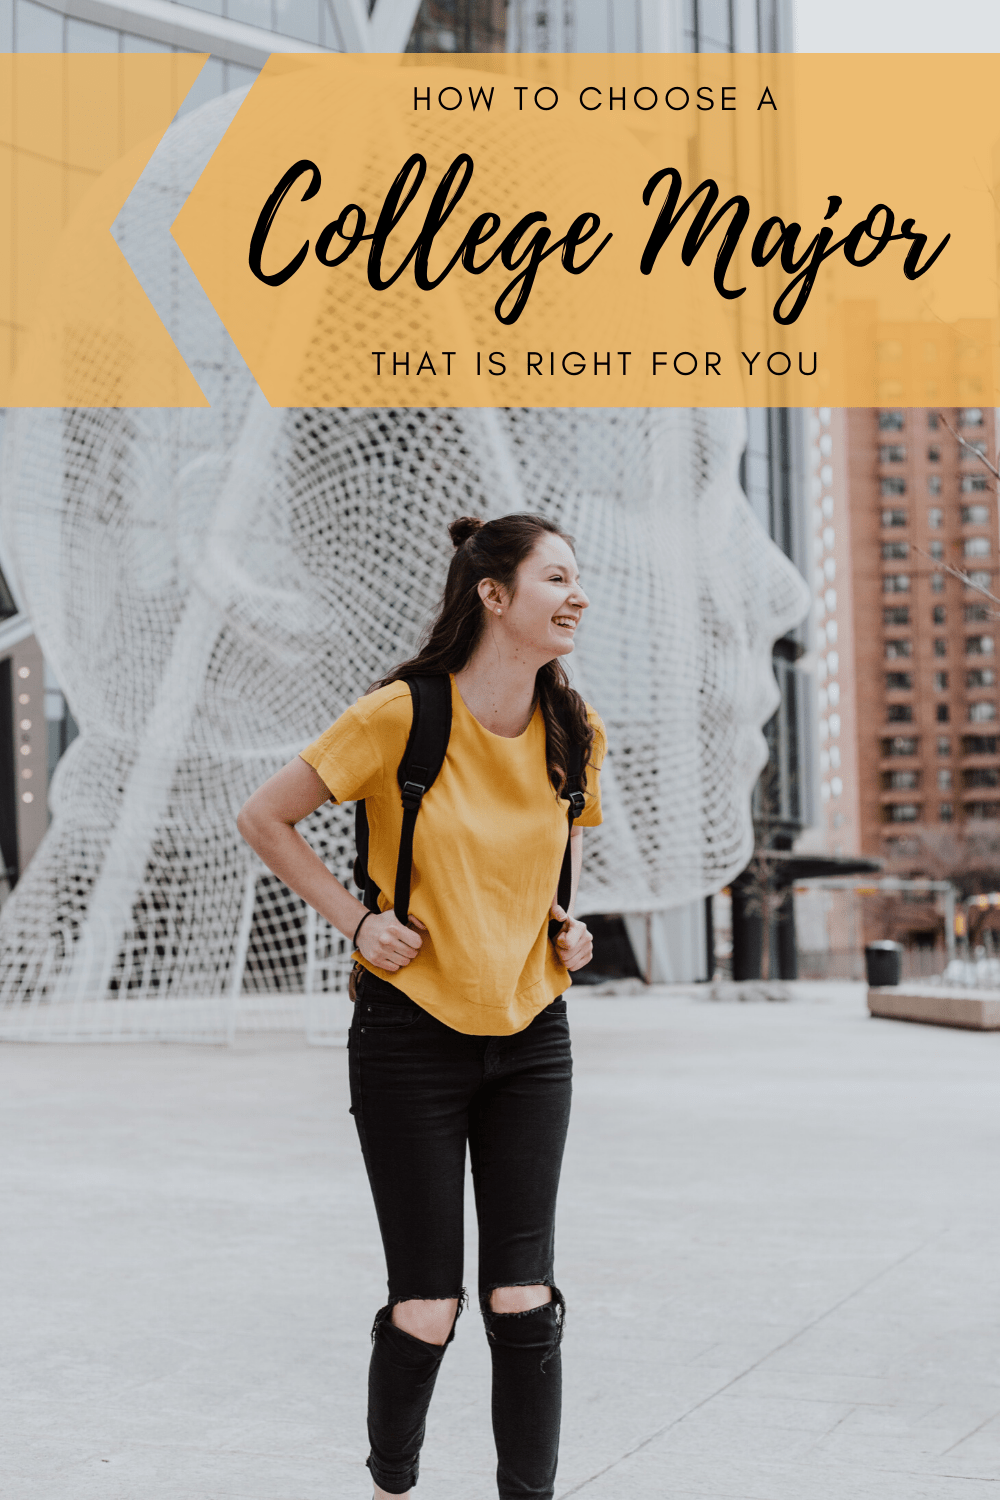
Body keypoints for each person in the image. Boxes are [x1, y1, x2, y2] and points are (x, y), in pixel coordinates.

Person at [236, 512, 606, 1499]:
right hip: (409, 1040)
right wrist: (358, 923)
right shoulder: (402, 714)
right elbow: (263, 816)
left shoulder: (574, 727)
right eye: (555, 579)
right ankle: (392, 1482)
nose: (577, 597)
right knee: (429, 1303)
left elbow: (564, 846)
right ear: (493, 594)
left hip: (533, 1034)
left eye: (579, 580)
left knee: (523, 1298)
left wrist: (571, 926)